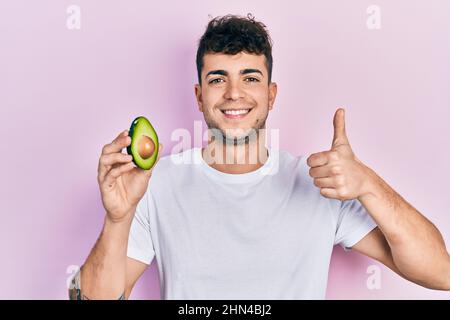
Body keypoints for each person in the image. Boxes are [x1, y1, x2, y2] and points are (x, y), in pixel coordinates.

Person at [69, 14, 450, 300]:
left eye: (250, 78)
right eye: (218, 79)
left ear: (271, 94)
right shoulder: (155, 184)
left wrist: (369, 184)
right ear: (200, 96)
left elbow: (439, 272)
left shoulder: (321, 181)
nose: (234, 93)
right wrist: (118, 219)